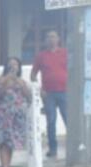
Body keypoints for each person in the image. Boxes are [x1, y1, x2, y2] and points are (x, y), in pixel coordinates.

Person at [29, 30, 67, 159]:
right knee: (51, 122)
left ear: (58, 39)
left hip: (64, 92)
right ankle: (53, 149)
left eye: (54, 37)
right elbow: (33, 75)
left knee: (68, 120)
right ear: (45, 40)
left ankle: (73, 147)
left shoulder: (65, 53)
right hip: (48, 94)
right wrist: (40, 90)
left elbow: (73, 70)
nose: (51, 39)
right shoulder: (41, 56)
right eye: (49, 37)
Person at [0, 57, 31, 167]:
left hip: (17, 116)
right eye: (11, 65)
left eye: (16, 65)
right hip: (3, 114)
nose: (13, 68)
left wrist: (21, 84)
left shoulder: (21, 81)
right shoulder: (1, 79)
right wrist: (6, 82)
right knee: (4, 142)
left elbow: (29, 97)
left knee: (11, 143)